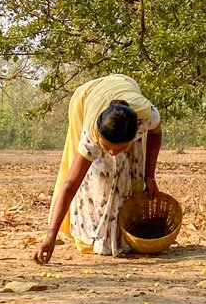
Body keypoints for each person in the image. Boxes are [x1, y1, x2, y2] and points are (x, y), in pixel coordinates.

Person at [34, 74, 163, 264]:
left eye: (120, 148)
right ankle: (92, 233)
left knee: (129, 171)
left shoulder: (146, 116)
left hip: (125, 88)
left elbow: (156, 134)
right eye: (107, 146)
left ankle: (122, 230)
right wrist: (50, 237)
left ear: (135, 134)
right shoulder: (92, 135)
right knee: (99, 175)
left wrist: (149, 177)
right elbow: (70, 184)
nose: (112, 152)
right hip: (86, 97)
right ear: (98, 136)